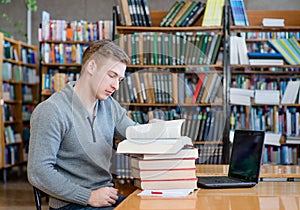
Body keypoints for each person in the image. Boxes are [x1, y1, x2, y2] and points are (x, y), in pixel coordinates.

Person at [27, 39, 137, 210]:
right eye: (112, 75)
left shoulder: (108, 105)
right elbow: (38, 171)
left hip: (104, 198)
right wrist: (89, 196)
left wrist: (159, 132)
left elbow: (134, 134)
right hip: (71, 204)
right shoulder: (51, 110)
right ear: (91, 67)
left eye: (120, 79)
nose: (115, 85)